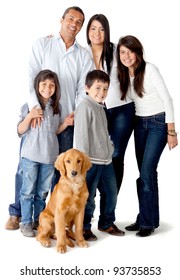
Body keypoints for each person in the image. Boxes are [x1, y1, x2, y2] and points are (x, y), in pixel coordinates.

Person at [5, 6, 93, 230]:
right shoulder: (43, 44)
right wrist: (35, 108)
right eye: (70, 18)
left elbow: (84, 88)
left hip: (65, 121)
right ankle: (17, 213)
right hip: (38, 117)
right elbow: (31, 76)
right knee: (26, 168)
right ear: (61, 20)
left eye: (79, 21)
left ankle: (49, 216)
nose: (74, 23)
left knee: (56, 172)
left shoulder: (83, 54)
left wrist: (76, 112)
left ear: (81, 27)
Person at [116, 35, 178, 237]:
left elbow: (167, 99)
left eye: (130, 51)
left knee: (147, 172)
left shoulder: (150, 69)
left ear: (138, 52)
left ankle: (147, 223)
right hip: (139, 125)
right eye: (122, 52)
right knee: (145, 173)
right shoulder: (124, 74)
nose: (126, 56)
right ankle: (146, 217)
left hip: (158, 124)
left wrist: (171, 131)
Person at [73, 69, 125, 241]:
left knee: (111, 193)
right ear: (87, 88)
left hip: (106, 161)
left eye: (105, 89)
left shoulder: (101, 108)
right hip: (90, 162)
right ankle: (84, 227)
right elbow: (80, 138)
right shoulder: (84, 107)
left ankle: (106, 222)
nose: (101, 93)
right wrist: (81, 165)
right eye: (97, 88)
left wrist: (110, 147)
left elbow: (104, 134)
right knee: (88, 197)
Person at [86, 14, 135, 193]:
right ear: (87, 31)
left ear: (107, 31)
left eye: (101, 29)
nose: (97, 33)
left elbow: (134, 61)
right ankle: (91, 204)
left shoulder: (116, 50)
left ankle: (109, 208)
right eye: (93, 28)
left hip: (121, 109)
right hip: (96, 110)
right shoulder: (82, 52)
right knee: (93, 156)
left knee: (115, 155)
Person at [19, 69, 70, 237]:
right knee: (28, 191)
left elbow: (54, 131)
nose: (48, 88)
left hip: (49, 158)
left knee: (42, 192)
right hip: (31, 156)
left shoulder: (56, 107)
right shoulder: (29, 105)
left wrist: (66, 123)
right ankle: (25, 222)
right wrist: (30, 116)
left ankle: (38, 220)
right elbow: (19, 130)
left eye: (51, 85)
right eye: (44, 85)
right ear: (37, 86)